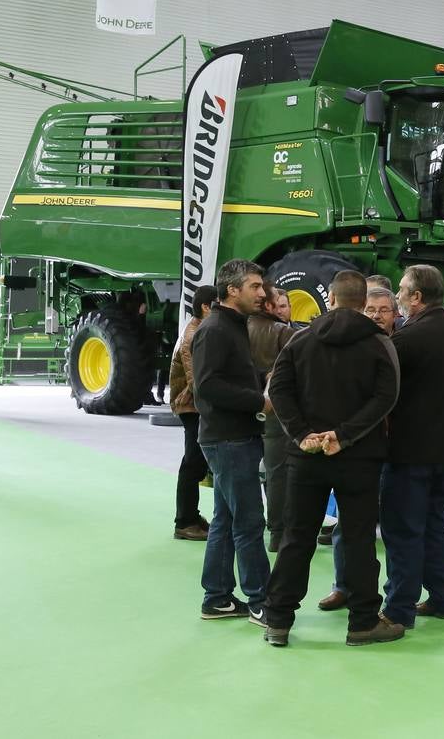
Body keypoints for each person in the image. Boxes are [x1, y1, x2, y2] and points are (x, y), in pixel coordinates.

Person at [264, 271, 401, 647]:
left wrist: (302, 432)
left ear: (332, 299)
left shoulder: (300, 338)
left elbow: (278, 387)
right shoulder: (379, 343)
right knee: (358, 539)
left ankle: (278, 620)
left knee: (297, 537)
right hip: (359, 457)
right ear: (362, 303)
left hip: (305, 455)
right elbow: (386, 396)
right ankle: (362, 623)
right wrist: (343, 435)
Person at [379, 265, 444, 628]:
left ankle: (398, 609)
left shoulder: (407, 339)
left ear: (417, 296)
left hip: (409, 451)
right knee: (436, 526)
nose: (398, 298)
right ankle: (442, 599)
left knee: (403, 530)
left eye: (402, 291)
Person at [191, 259, 274, 622]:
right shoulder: (215, 330)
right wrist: (260, 400)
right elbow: (207, 385)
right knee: (249, 522)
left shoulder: (233, 326)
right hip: (228, 439)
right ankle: (261, 601)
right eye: (255, 286)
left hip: (232, 437)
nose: (263, 292)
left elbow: (231, 374)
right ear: (232, 290)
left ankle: (218, 598)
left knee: (226, 521)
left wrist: (262, 376)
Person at [320, 285, 398, 613]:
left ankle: (395, 596)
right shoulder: (351, 346)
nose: (377, 315)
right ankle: (343, 586)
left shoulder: (401, 346)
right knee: (347, 525)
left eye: (383, 310)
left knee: (392, 526)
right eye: (371, 310)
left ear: (396, 314)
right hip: (354, 447)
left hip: (395, 449)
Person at [249, 286, 295, 553]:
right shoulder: (284, 333)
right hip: (277, 412)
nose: (281, 309)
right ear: (268, 305)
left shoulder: (237, 329)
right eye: (276, 304)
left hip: (241, 409)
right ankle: (278, 532)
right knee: (278, 473)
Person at [170, 285, 218, 541]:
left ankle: (189, 516)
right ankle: (185, 521)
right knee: (193, 463)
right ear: (206, 307)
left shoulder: (198, 330)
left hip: (191, 405)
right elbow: (195, 379)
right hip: (191, 406)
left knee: (193, 463)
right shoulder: (194, 336)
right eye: (217, 304)